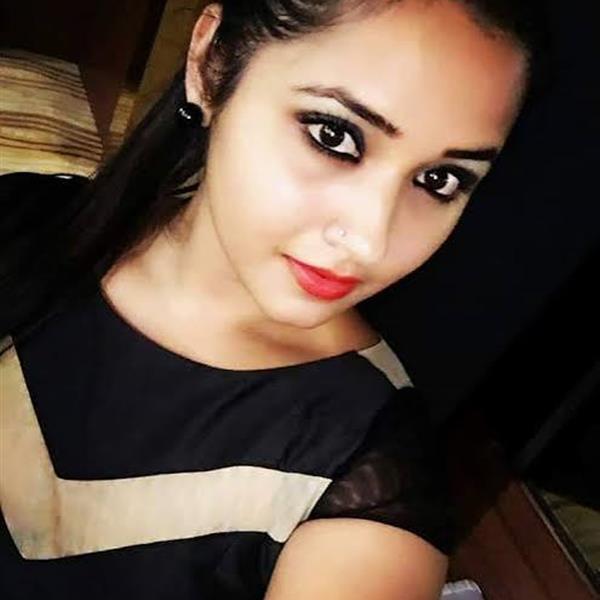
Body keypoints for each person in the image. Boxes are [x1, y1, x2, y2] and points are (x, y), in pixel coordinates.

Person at [0, 1, 550, 598]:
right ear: (211, 63)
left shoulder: (362, 489)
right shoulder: (25, 220)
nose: (370, 240)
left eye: (439, 180)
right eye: (334, 136)